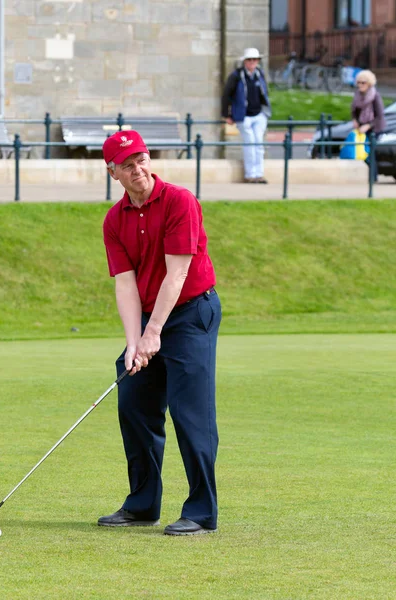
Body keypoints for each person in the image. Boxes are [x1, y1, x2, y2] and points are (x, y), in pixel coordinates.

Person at [99, 130, 221, 536]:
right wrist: (135, 342)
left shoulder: (179, 201)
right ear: (113, 172)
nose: (139, 170)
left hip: (190, 312)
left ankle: (201, 512)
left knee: (190, 413)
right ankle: (142, 504)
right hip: (150, 313)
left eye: (142, 159)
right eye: (128, 165)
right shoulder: (114, 221)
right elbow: (125, 284)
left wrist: (154, 334)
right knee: (133, 401)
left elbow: (178, 273)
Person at [221, 47, 271, 184]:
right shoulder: (236, 76)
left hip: (258, 114)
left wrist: (265, 112)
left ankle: (259, 174)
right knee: (249, 144)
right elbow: (226, 95)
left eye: (255, 60)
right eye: (249, 60)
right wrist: (227, 114)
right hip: (244, 116)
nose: (252, 62)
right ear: (245, 61)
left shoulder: (259, 74)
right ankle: (250, 175)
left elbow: (264, 92)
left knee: (259, 145)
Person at [351, 69, 386, 181]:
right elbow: (354, 110)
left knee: (370, 153)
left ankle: (373, 178)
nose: (360, 85)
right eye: (358, 82)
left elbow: (380, 115)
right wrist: (355, 120)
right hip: (362, 128)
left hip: (374, 128)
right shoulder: (357, 95)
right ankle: (369, 176)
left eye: (363, 82)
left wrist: (368, 125)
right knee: (361, 153)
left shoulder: (375, 95)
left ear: (369, 83)